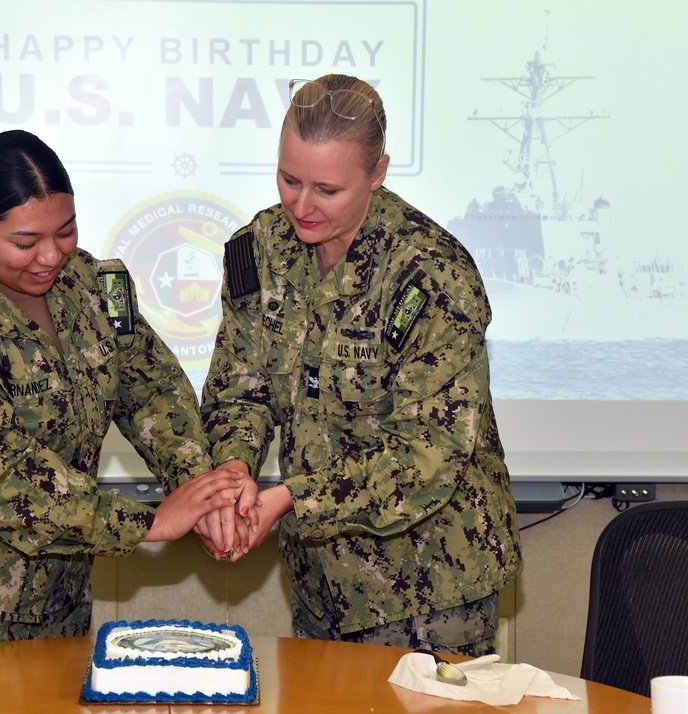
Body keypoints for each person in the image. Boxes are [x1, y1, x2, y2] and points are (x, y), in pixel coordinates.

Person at [0, 129, 254, 650]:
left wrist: (203, 487)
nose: (51, 256)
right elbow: (3, 482)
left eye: (65, 231)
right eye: (25, 243)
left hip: (57, 598)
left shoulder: (94, 285)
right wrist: (152, 521)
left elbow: (153, 391)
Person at [201, 75, 523, 656]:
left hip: (428, 588)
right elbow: (238, 391)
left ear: (377, 174)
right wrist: (234, 473)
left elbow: (425, 456)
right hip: (319, 582)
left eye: (327, 189)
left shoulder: (431, 275)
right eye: (289, 179)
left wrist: (290, 497)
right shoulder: (259, 249)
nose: (301, 206)